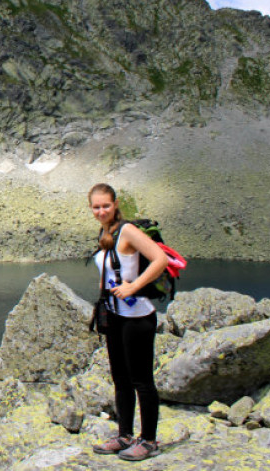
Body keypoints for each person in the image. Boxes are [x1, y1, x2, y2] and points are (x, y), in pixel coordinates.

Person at [88, 183, 168, 462]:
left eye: (105, 206)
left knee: (142, 380)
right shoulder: (105, 232)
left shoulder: (128, 230)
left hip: (137, 317)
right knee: (120, 379)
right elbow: (108, 271)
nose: (101, 211)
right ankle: (124, 435)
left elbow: (161, 259)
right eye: (96, 207)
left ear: (115, 203)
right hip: (115, 315)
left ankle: (148, 440)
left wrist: (133, 287)